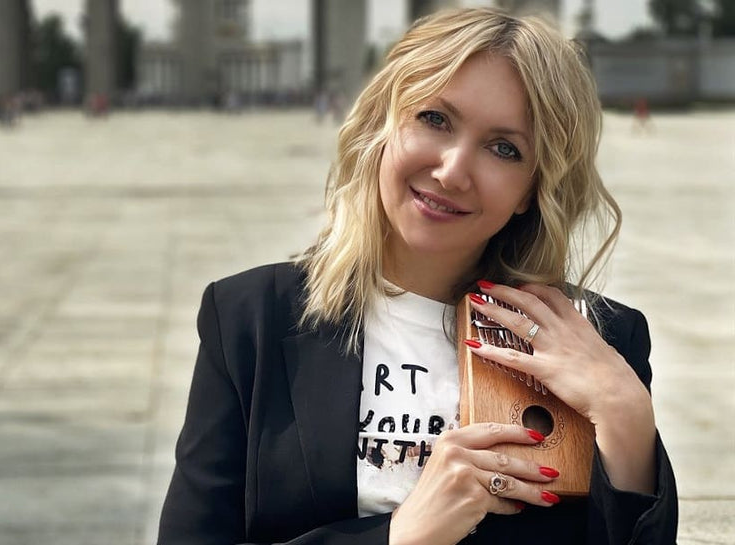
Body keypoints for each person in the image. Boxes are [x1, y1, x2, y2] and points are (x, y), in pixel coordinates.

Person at [158, 8, 677, 545]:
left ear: (531, 189)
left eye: (504, 148)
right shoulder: (249, 318)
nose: (452, 171)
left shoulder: (601, 341)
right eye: (435, 119)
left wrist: (625, 412)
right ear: (384, 123)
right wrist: (399, 536)